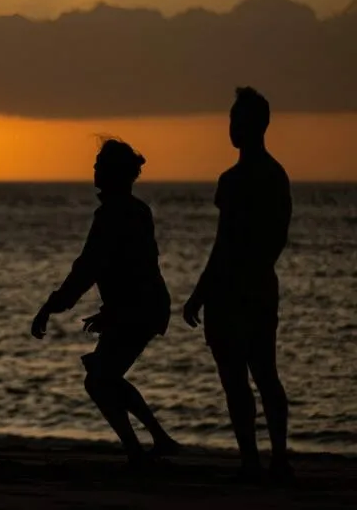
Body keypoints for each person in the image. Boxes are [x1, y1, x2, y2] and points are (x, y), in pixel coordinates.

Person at [31, 139, 178, 466]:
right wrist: (111, 312)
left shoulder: (114, 214)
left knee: (100, 379)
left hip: (139, 308)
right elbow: (126, 268)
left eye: (100, 165)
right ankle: (154, 441)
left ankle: (142, 448)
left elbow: (89, 267)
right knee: (103, 375)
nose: (94, 170)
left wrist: (51, 306)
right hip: (143, 306)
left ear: (113, 173)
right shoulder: (136, 210)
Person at [183, 87, 292, 481]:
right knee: (263, 375)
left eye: (237, 121)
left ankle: (256, 461)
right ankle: (274, 458)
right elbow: (276, 238)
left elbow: (224, 243)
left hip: (235, 291)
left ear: (256, 125)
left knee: (242, 379)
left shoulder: (236, 180)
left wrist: (201, 292)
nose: (232, 127)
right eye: (231, 120)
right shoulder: (277, 176)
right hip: (260, 286)